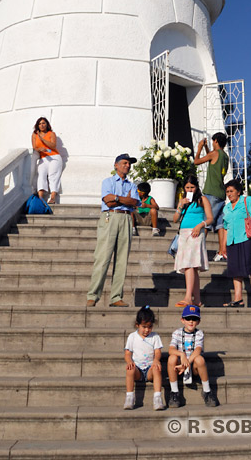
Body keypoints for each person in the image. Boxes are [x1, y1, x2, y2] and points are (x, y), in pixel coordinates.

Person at [87, 153, 139, 307]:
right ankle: (93, 294)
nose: (127, 166)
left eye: (129, 164)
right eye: (124, 163)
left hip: (126, 218)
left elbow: (135, 202)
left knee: (122, 260)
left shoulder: (132, 185)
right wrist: (123, 199)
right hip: (110, 217)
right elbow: (107, 201)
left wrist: (116, 198)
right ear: (116, 165)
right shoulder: (107, 181)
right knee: (103, 257)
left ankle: (116, 296)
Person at [221, 178, 251, 307]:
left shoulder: (248, 201)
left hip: (248, 239)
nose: (229, 194)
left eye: (231, 191)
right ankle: (238, 299)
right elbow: (225, 227)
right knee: (235, 270)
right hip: (232, 241)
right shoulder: (226, 208)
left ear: (238, 191)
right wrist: (223, 245)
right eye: (227, 192)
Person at [172, 175, 213, 308]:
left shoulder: (202, 199)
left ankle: (188, 297)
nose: (190, 189)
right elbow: (175, 219)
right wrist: (180, 206)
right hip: (184, 233)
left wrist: (200, 225)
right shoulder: (183, 200)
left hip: (196, 232)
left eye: (192, 187)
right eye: (187, 187)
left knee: (189, 264)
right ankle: (197, 300)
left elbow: (210, 218)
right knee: (192, 266)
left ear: (196, 187)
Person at [167, 303, 217, 408]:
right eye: (188, 318)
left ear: (198, 322)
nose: (191, 321)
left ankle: (207, 391)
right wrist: (182, 355)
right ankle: (174, 392)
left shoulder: (199, 333)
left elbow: (198, 349)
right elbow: (171, 349)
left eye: (194, 319)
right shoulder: (177, 333)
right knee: (172, 358)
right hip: (179, 366)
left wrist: (187, 363)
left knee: (200, 359)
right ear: (182, 320)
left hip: (192, 366)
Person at [194, 132, 229, 262]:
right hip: (220, 193)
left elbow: (196, 161)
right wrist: (206, 148)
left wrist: (199, 148)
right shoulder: (224, 156)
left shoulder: (214, 154)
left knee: (206, 222)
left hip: (211, 192)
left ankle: (198, 250)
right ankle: (221, 252)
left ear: (215, 141)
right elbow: (212, 159)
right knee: (220, 224)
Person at [123, 305, 165, 410]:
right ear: (137, 325)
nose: (147, 330)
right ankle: (129, 397)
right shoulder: (132, 337)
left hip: (150, 369)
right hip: (138, 369)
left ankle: (157, 398)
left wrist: (156, 360)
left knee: (157, 369)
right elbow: (128, 353)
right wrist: (129, 362)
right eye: (144, 327)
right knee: (130, 370)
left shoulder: (155, 337)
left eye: (149, 327)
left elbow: (158, 352)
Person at [31, 116, 63, 205]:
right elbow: (34, 147)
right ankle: (40, 198)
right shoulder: (34, 135)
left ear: (47, 124)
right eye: (40, 123)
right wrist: (39, 149)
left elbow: (53, 146)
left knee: (53, 176)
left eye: (43, 123)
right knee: (41, 175)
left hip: (54, 157)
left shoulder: (51, 133)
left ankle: (53, 198)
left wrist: (42, 139)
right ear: (37, 125)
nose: (42, 125)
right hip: (43, 158)